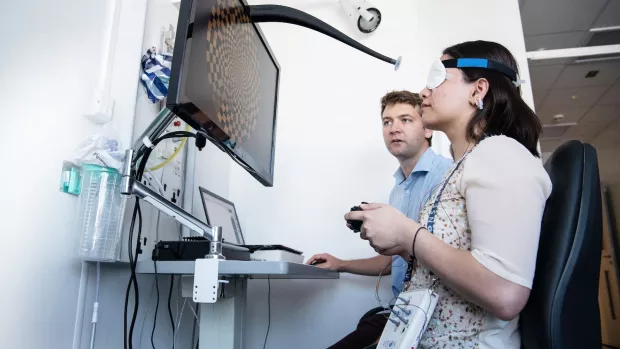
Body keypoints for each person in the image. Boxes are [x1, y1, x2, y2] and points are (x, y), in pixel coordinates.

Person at [345, 40, 553, 348]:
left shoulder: (499, 153)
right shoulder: (464, 165)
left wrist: (406, 232)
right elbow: (453, 264)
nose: (424, 92)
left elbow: (505, 293)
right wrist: (400, 243)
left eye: (437, 77)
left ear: (477, 90)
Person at [306, 90, 452, 349]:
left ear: (427, 128)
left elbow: (445, 261)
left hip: (434, 314)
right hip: (401, 311)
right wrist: (341, 264)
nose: (394, 128)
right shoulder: (398, 190)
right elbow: (393, 260)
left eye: (405, 120)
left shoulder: (446, 176)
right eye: (387, 122)